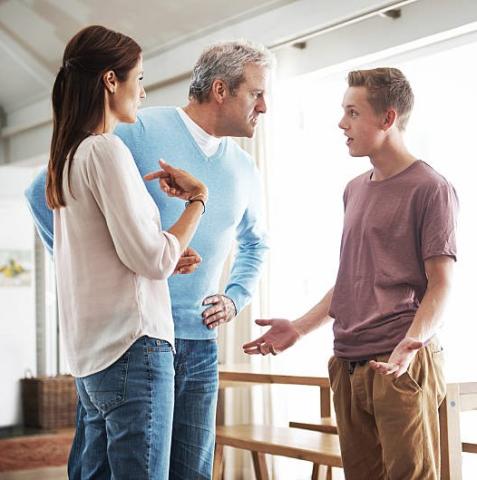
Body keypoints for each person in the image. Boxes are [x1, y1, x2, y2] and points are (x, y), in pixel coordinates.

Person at [26, 40, 272, 479]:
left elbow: (256, 245)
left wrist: (234, 298)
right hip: (130, 343)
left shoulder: (245, 168)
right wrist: (96, 272)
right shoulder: (133, 129)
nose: (264, 106)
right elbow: (46, 197)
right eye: (256, 93)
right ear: (221, 89)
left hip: (197, 344)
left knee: (188, 473)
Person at [243, 68, 458, 480]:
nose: (342, 124)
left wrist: (413, 343)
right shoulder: (354, 188)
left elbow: (443, 284)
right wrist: (300, 329)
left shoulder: (431, 188)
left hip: (399, 364)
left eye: (353, 113)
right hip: (347, 364)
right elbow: (352, 280)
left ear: (387, 118)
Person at [41, 24, 209, 479]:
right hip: (134, 349)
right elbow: (151, 258)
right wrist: (198, 200)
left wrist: (168, 256)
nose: (143, 90)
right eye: (138, 77)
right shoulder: (105, 151)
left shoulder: (68, 158)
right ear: (110, 81)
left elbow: (121, 257)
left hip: (93, 359)